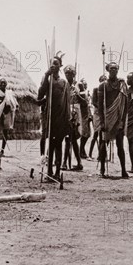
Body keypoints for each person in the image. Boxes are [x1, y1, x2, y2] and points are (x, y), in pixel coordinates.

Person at [38, 53, 71, 181]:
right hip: (50, 116)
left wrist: (68, 119)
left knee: (59, 144)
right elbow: (40, 94)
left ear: (60, 66)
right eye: (52, 63)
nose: (53, 65)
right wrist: (46, 75)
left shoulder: (64, 82)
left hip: (61, 117)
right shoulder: (47, 79)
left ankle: (57, 171)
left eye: (56, 63)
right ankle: (49, 171)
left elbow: (67, 102)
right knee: (50, 144)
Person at [97, 62, 129, 178]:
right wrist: (102, 121)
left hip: (119, 118)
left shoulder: (122, 85)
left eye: (116, 68)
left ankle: (123, 170)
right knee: (103, 143)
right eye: (111, 68)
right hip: (107, 117)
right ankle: (102, 168)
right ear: (108, 70)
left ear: (118, 70)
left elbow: (125, 104)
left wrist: (123, 120)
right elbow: (100, 106)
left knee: (120, 145)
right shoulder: (103, 86)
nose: (114, 70)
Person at [61, 65, 83, 171]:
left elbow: (83, 101)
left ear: (74, 74)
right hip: (66, 113)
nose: (68, 75)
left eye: (71, 73)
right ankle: (66, 162)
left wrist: (77, 94)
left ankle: (74, 162)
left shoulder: (77, 86)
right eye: (67, 73)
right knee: (68, 139)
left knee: (73, 139)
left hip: (75, 114)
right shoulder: (63, 85)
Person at [0, 78, 18, 156]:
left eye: (4, 83)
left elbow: (14, 104)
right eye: (2, 83)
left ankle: (2, 150)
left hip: (7, 114)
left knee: (5, 132)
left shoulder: (9, 93)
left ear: (6, 84)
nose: (3, 84)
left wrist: (9, 108)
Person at [78, 79, 92, 159]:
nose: (85, 85)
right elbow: (83, 102)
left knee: (87, 134)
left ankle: (82, 150)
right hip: (83, 115)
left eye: (86, 84)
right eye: (84, 84)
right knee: (84, 134)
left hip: (87, 114)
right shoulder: (81, 93)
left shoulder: (87, 93)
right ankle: (81, 151)